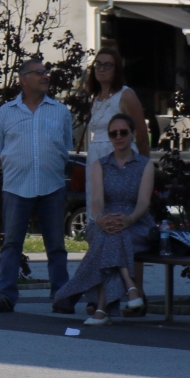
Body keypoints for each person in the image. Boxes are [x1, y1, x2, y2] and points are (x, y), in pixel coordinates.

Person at [0, 54, 74, 312]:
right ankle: (6, 296)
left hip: (52, 185)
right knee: (12, 244)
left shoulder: (60, 112)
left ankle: (61, 296)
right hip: (16, 187)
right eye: (39, 72)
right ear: (23, 80)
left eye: (46, 72)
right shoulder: (6, 112)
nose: (45, 76)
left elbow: (66, 148)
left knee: (56, 245)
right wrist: (16, 167)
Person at [53, 113, 154, 325]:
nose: (118, 137)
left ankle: (101, 309)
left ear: (134, 134)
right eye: (113, 133)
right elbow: (97, 200)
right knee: (110, 235)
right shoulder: (100, 164)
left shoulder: (145, 165)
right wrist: (99, 219)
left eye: (123, 132)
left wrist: (129, 219)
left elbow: (144, 202)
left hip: (136, 221)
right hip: (105, 220)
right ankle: (130, 287)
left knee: (113, 238)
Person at [82, 45, 150, 159]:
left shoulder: (126, 95)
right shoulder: (96, 97)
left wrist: (145, 168)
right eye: (98, 64)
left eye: (107, 65)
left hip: (120, 161)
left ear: (116, 69)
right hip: (95, 161)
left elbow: (142, 137)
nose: (101, 69)